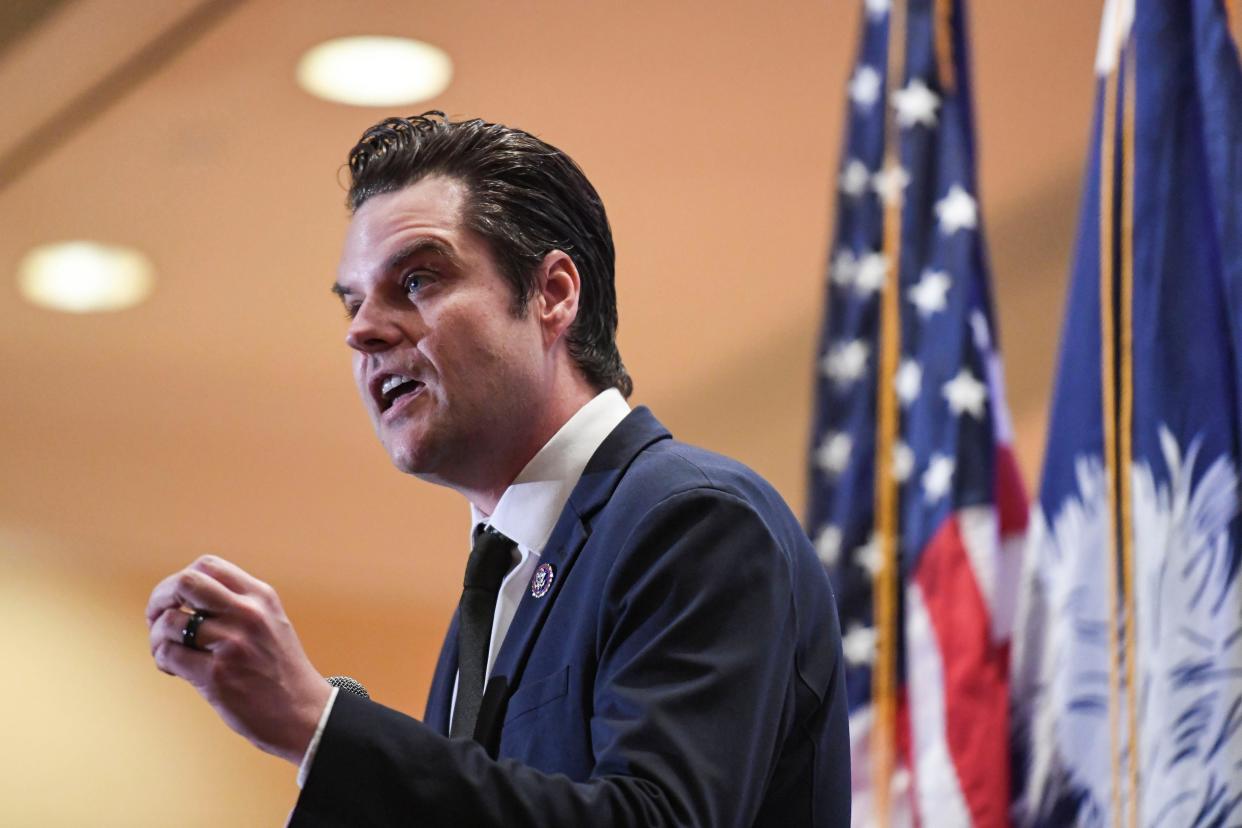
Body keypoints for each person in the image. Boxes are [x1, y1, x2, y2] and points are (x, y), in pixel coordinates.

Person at [147, 112, 851, 826]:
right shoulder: (496, 579)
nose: (361, 331)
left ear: (552, 293)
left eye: (417, 280)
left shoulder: (693, 519)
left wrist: (316, 722)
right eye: (354, 302)